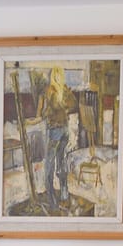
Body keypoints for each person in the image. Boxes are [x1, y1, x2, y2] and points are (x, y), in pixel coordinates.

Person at [36, 66, 77, 214]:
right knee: (61, 162)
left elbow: (46, 111)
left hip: (55, 130)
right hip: (65, 130)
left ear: (52, 76)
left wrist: (46, 113)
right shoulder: (64, 90)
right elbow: (73, 103)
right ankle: (64, 196)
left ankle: (53, 202)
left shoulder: (50, 91)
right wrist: (65, 109)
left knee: (49, 165)